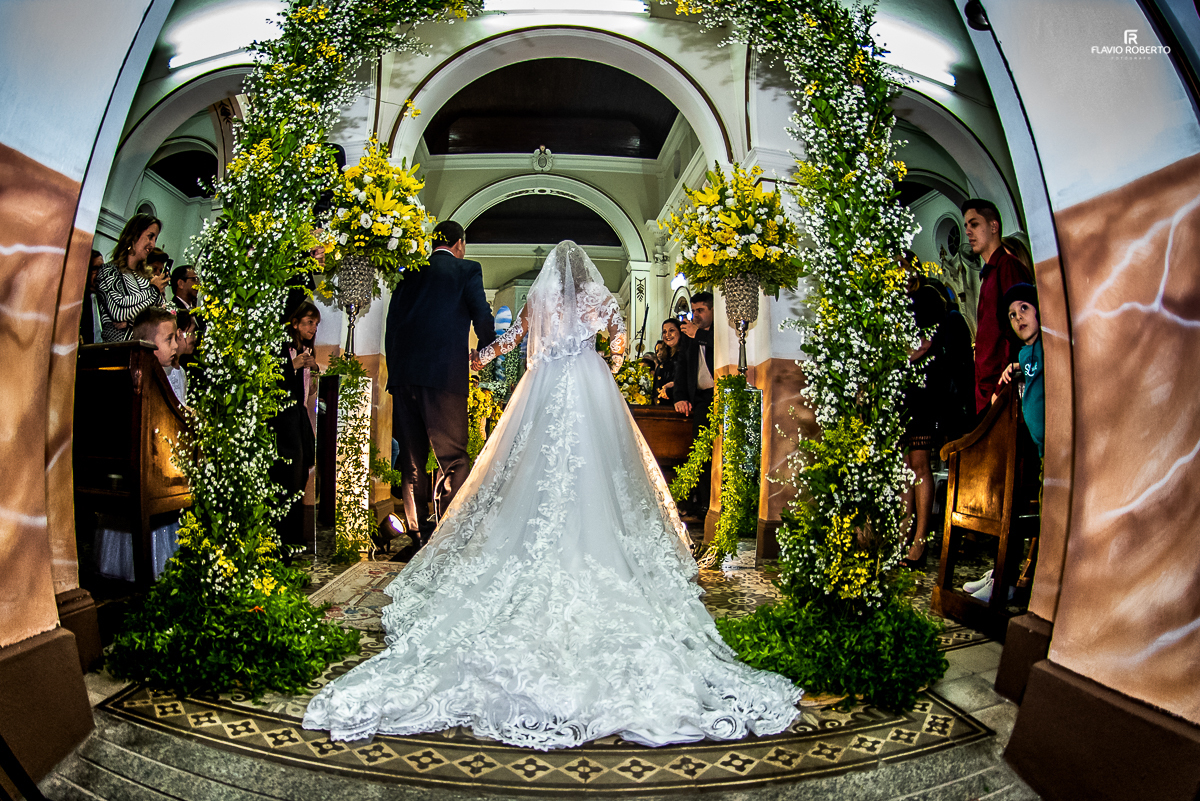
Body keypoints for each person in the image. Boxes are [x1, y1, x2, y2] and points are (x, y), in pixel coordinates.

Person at [303, 241, 800, 748]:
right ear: (580, 276)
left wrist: (480, 357)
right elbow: (622, 337)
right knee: (598, 467)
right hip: (589, 383)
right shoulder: (595, 298)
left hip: (540, 387)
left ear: (547, 278)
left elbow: (512, 340)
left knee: (529, 469)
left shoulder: (536, 304)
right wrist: (611, 354)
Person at [386, 220, 494, 546]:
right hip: (445, 377)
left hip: (404, 378)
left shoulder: (409, 272)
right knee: (455, 459)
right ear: (459, 245)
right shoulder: (466, 270)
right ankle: (448, 535)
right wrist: (486, 351)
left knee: (412, 461)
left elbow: (392, 325)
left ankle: (418, 537)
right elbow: (483, 319)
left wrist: (397, 372)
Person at [898, 253, 947, 568]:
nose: (898, 274)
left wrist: (897, 358)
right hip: (901, 390)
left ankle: (920, 540)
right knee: (903, 467)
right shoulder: (895, 303)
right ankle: (903, 532)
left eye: (902, 267)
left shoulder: (927, 295)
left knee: (919, 464)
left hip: (923, 388)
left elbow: (926, 343)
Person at [962, 199, 1030, 417]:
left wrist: (999, 389)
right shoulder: (990, 274)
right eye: (966, 226)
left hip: (1001, 391)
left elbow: (1018, 330)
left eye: (974, 224)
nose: (968, 232)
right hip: (987, 391)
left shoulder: (1007, 266)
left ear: (993, 226)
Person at [269, 301, 320, 554]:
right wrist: (293, 367)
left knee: (301, 475)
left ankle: (294, 539)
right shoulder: (282, 349)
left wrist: (313, 371)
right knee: (288, 477)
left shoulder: (308, 351)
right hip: (283, 417)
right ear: (295, 323)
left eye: (316, 324)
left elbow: (309, 391)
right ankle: (282, 540)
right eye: (310, 322)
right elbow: (272, 381)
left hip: (299, 416)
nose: (313, 328)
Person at [672, 292, 715, 516]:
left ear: (712, 310)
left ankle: (712, 503)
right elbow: (682, 367)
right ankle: (702, 502)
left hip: (718, 396)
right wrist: (680, 396)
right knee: (700, 452)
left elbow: (719, 350)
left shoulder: (718, 333)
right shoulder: (690, 336)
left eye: (701, 310)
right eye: (694, 310)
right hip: (699, 399)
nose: (696, 315)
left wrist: (698, 334)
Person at [96, 213, 167, 342]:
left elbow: (160, 319)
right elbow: (118, 310)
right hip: (117, 354)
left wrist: (128, 322)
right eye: (150, 237)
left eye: (155, 239)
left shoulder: (147, 279)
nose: (152, 244)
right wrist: (153, 290)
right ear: (134, 236)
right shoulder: (108, 271)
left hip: (146, 350)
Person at [997, 283, 1044, 457]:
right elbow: (1031, 366)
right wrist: (1017, 365)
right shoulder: (1023, 354)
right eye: (1012, 315)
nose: (1018, 317)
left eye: (1024, 308)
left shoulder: (1047, 346)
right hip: (1039, 444)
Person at [79, 249, 105, 344]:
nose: (100, 273)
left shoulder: (105, 299)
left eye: (102, 268)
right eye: (95, 269)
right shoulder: (78, 301)